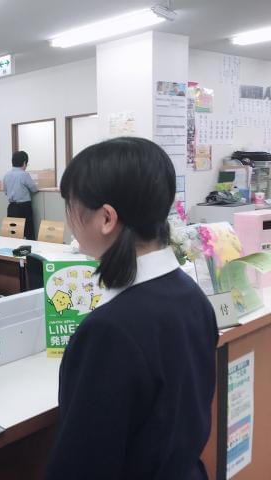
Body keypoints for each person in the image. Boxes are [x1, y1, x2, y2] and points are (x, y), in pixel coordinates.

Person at [45, 137, 218, 480]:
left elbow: (82, 465)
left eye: (71, 205)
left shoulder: (111, 330)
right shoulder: (192, 296)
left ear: (106, 218)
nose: (69, 219)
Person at [2, 150, 38, 239]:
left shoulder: (6, 175)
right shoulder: (24, 175)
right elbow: (34, 189)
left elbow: (5, 191)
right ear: (24, 162)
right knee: (28, 234)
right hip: (24, 208)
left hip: (11, 208)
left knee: (13, 234)